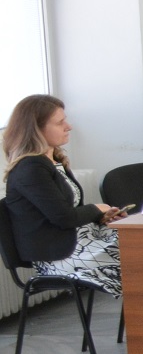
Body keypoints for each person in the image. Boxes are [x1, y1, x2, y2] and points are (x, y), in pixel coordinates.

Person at [4, 95, 127, 298]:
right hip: (60, 256)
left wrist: (100, 216)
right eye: (60, 122)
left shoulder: (53, 161)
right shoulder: (30, 168)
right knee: (142, 255)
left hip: (79, 242)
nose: (68, 127)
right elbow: (64, 217)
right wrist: (98, 209)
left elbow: (71, 210)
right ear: (36, 129)